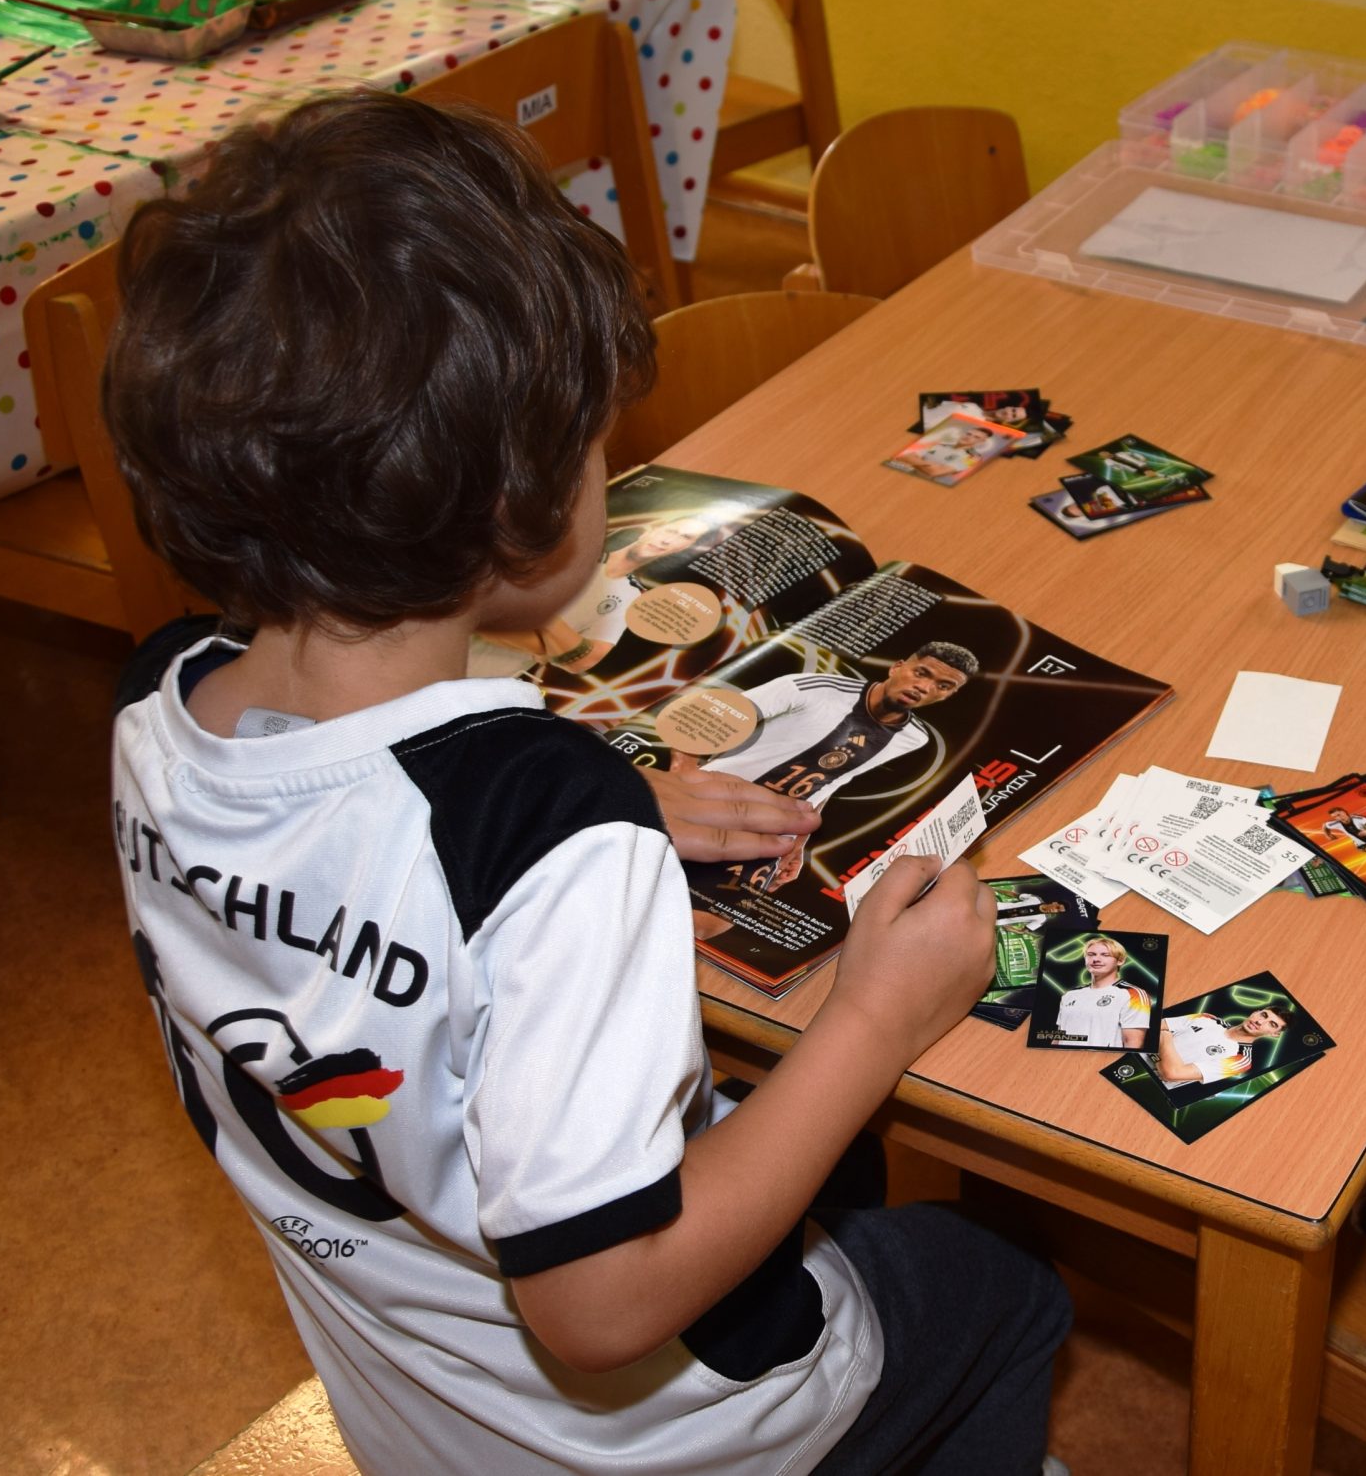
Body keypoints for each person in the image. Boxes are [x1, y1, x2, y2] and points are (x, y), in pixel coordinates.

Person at [104, 91, 1068, 1476]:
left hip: (422, 1413)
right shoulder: (550, 833)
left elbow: (358, 861)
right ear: (525, 503)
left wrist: (554, 799)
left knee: (815, 1151)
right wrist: (874, 1015)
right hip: (672, 1439)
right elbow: (599, 1303)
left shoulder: (158, 699)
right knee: (996, 1280)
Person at [673, 642, 979, 892]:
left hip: (774, 830)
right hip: (709, 805)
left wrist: (799, 842)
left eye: (943, 685)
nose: (924, 687)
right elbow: (709, 717)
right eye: (920, 673)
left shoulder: (914, 738)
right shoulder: (815, 689)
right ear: (898, 666)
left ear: (950, 694)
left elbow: (834, 779)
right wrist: (680, 781)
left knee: (714, 923)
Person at [475, 512, 724, 674]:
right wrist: (551, 647)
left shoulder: (632, 598)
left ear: (687, 548)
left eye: (685, 538)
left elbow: (587, 661)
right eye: (672, 530)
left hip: (486, 686)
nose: (670, 541)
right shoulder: (574, 550)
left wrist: (539, 614)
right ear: (655, 527)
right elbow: (483, 613)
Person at [1049, 934, 1151, 1049]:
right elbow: (1059, 1037)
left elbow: (1133, 1043)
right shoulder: (1070, 995)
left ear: (1120, 961)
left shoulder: (1133, 994)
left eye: (1105, 955)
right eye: (1091, 954)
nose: (1096, 959)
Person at [1153, 1006, 1293, 1089]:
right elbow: (1148, 1029)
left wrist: (1166, 1037)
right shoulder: (1207, 1018)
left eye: (1272, 1024)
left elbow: (1172, 1074)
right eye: (1263, 1014)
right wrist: (1167, 1060)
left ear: (1275, 1034)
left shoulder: (1241, 1060)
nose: (1260, 1021)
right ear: (1255, 1012)